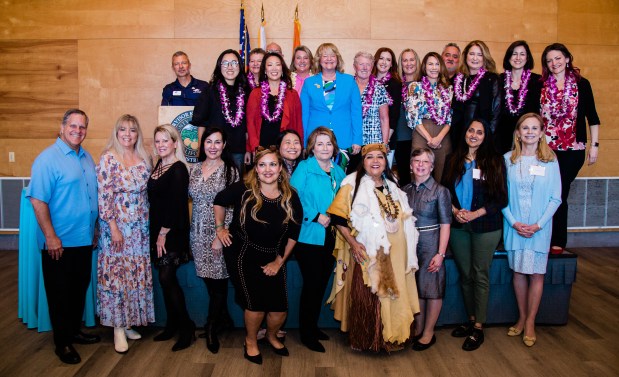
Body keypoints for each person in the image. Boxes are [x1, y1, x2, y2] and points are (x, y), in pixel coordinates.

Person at [327, 143, 420, 352]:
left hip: (396, 255)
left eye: (380, 157)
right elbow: (337, 218)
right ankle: (370, 340)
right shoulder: (351, 184)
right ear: (363, 162)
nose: (375, 161)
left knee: (396, 292)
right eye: (370, 157)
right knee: (371, 296)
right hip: (370, 254)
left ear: (386, 162)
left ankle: (393, 338)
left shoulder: (392, 186)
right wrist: (353, 243)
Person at [213, 147, 303, 365]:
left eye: (273, 164)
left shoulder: (291, 196)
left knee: (279, 308)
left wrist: (279, 262)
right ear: (256, 168)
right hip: (243, 253)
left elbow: (293, 234)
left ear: (280, 168)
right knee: (255, 305)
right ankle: (251, 341)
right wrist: (220, 228)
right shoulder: (244, 190)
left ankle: (271, 335)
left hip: (274, 256)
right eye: (262, 165)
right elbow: (219, 199)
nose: (267, 169)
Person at [26, 109, 100, 364]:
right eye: (73, 126)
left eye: (82, 127)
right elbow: (37, 200)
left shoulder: (86, 157)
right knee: (60, 294)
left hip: (83, 240)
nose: (78, 130)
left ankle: (74, 331)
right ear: (62, 127)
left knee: (79, 289)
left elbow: (92, 197)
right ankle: (62, 343)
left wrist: (95, 229)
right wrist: (51, 236)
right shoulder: (48, 159)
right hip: (59, 243)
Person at [441, 119, 507, 351]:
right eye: (471, 130)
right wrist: (456, 212)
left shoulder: (494, 161)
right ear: (465, 133)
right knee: (466, 275)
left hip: (486, 226)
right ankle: (470, 320)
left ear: (485, 136)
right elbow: (445, 192)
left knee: (480, 275)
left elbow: (501, 199)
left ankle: (478, 327)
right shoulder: (453, 159)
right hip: (459, 225)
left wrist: (474, 214)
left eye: (480, 132)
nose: (474, 135)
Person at [96, 114, 154, 354]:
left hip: (140, 229)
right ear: (116, 132)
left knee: (134, 274)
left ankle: (129, 321)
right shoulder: (109, 158)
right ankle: (117, 327)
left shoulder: (144, 159)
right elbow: (104, 196)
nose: (127, 134)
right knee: (117, 276)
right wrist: (113, 228)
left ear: (137, 133)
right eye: (123, 129)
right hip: (117, 228)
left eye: (132, 130)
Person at [502, 113, 561, 347]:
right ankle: (521, 317)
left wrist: (538, 225)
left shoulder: (550, 160)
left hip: (540, 228)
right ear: (517, 133)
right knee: (518, 273)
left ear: (541, 133)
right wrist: (515, 223)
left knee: (536, 274)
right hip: (514, 227)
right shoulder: (508, 159)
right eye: (525, 128)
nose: (529, 132)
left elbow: (556, 198)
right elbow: (501, 196)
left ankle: (530, 322)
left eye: (534, 128)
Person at [540, 43, 600, 252]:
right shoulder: (542, 85)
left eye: (557, 58)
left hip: (573, 149)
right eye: (549, 60)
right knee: (546, 193)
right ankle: (542, 236)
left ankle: (558, 241)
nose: (554, 63)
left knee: (560, 192)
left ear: (567, 58)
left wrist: (595, 145)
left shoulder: (582, 84)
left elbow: (592, 117)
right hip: (546, 149)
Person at [290, 127, 346, 353]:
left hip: (332, 237)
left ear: (334, 148)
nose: (324, 148)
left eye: (329, 144)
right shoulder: (304, 168)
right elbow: (293, 198)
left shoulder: (339, 172)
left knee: (321, 284)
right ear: (311, 147)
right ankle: (306, 333)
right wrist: (315, 215)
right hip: (309, 235)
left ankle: (312, 327)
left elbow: (345, 198)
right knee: (312, 284)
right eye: (319, 143)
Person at [189, 127, 240, 354]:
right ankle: (225, 320)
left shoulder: (230, 171)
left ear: (224, 145)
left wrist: (221, 235)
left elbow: (234, 206)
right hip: (197, 233)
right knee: (209, 280)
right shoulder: (194, 169)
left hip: (220, 233)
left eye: (217, 142)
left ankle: (211, 327)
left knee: (218, 281)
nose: (212, 146)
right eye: (208, 141)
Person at [148, 124, 194, 352]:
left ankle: (187, 328)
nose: (161, 145)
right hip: (157, 229)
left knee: (167, 277)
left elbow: (177, 204)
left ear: (175, 142)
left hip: (172, 231)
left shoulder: (178, 169)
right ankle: (171, 325)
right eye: (157, 141)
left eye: (165, 140)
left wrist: (162, 234)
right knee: (164, 279)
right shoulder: (159, 165)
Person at [403, 147, 451, 351]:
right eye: (417, 161)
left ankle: (429, 331)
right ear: (411, 165)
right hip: (410, 244)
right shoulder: (404, 190)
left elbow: (446, 225)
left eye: (425, 162)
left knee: (431, 289)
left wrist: (440, 254)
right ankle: (418, 327)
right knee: (416, 288)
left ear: (432, 166)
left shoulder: (441, 191)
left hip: (431, 243)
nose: (420, 165)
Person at [300, 43, 363, 159]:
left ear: (337, 59)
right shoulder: (309, 83)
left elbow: (356, 113)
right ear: (319, 60)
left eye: (332, 55)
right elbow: (304, 115)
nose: (329, 59)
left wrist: (357, 139)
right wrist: (304, 143)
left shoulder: (349, 81)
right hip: (316, 141)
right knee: (317, 175)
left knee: (341, 176)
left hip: (343, 139)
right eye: (325, 56)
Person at [192, 49, 250, 172]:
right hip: (214, 150)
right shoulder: (209, 91)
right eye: (225, 63)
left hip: (237, 150)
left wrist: (248, 149)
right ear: (219, 66)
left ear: (239, 66)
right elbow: (201, 123)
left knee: (234, 186)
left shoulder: (246, 91)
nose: (230, 67)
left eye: (234, 63)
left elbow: (248, 125)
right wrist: (200, 149)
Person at [406, 52, 454, 181]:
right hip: (422, 133)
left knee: (442, 175)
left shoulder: (447, 88)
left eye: (437, 64)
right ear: (424, 67)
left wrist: (438, 138)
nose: (434, 67)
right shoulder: (415, 87)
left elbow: (449, 118)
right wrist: (429, 139)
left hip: (442, 135)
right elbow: (413, 117)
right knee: (419, 173)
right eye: (430, 64)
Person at [247, 51, 303, 153]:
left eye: (277, 65)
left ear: (282, 69)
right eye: (270, 65)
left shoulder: (292, 94)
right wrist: (254, 148)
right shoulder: (255, 94)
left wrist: (299, 146)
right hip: (261, 148)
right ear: (264, 70)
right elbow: (250, 124)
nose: (274, 68)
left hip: (286, 149)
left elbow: (298, 124)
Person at [451, 40, 501, 147]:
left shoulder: (492, 79)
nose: (475, 58)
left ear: (485, 58)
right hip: (460, 133)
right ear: (465, 56)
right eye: (472, 54)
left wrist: (489, 135)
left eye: (479, 55)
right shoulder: (459, 79)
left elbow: (496, 111)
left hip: (482, 134)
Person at [497, 41, 542, 154]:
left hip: (528, 136)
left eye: (522, 54)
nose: (518, 58)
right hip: (502, 135)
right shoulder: (498, 80)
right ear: (508, 57)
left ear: (527, 58)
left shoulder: (538, 81)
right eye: (514, 54)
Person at [352, 51, 390, 172]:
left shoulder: (379, 88)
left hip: (373, 142)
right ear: (354, 66)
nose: (364, 68)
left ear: (372, 67)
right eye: (361, 64)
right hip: (352, 141)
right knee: (352, 178)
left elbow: (384, 119)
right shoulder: (348, 86)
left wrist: (383, 144)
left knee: (373, 178)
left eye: (368, 64)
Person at [393, 48, 421, 186]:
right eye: (405, 60)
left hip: (420, 137)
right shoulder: (397, 85)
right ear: (400, 64)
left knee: (420, 175)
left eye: (411, 59)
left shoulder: (423, 84)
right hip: (401, 138)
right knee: (404, 177)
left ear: (417, 62)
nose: (408, 63)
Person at [372, 47, 401, 161]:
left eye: (388, 60)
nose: (384, 62)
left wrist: (385, 141)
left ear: (391, 64)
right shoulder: (367, 81)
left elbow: (394, 115)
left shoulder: (395, 84)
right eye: (381, 58)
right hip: (369, 136)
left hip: (386, 137)